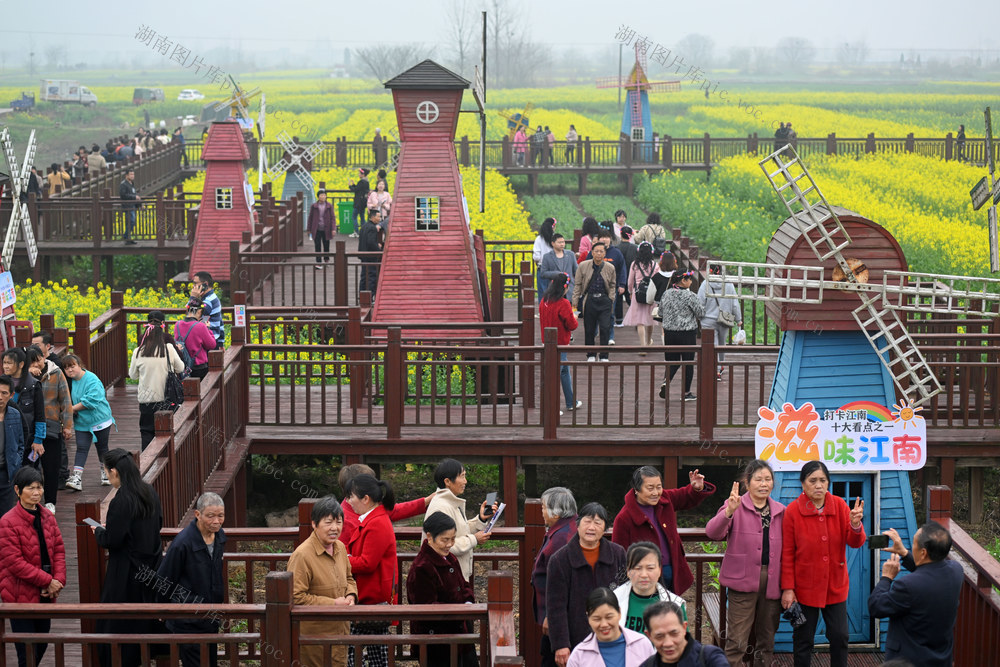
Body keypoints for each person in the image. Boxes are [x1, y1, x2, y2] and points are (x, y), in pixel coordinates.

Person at [781, 461, 866, 667]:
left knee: (839, 637)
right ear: (803, 484)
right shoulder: (792, 511)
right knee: (803, 639)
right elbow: (788, 553)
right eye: (813, 481)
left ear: (828, 483)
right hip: (805, 588)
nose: (818, 485)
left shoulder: (839, 505)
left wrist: (855, 525)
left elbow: (855, 542)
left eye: (822, 480)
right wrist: (788, 589)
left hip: (835, 586)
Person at [705, 460, 785, 667]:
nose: (763, 484)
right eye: (758, 479)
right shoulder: (736, 505)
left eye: (768, 479)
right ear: (747, 483)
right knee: (737, 640)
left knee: (766, 639)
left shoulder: (780, 511)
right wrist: (728, 511)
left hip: (773, 581)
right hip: (742, 580)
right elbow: (713, 532)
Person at [94, 448, 164, 667]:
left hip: (125, 573)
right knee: (141, 620)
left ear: (114, 471)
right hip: (150, 567)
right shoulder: (149, 492)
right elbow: (158, 524)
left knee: (117, 621)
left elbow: (112, 540)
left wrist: (98, 531)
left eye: (106, 472)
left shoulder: (121, 500)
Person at [867, 523, 963, 667]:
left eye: (913, 543)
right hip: (941, 659)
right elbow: (929, 572)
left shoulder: (907, 585)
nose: (912, 546)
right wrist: (905, 553)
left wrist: (886, 577)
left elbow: (876, 607)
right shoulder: (956, 571)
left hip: (908, 661)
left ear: (923, 552)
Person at [0, 466, 66, 667]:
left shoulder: (47, 516)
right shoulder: (7, 522)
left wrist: (58, 581)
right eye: (31, 488)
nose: (37, 492)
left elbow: (59, 550)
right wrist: (48, 581)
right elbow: (14, 562)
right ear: (18, 490)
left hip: (46, 593)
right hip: (19, 594)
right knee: (26, 650)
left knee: (43, 641)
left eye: (39, 487)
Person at [612, 465, 715, 595]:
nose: (656, 493)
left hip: (672, 570)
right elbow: (619, 557)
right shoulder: (624, 518)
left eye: (659, 487)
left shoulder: (665, 499)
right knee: (651, 612)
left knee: (672, 610)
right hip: (645, 578)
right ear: (636, 489)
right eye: (650, 488)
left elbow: (685, 496)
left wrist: (696, 488)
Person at [547, 502, 627, 666]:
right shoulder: (560, 560)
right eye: (587, 521)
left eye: (598, 523)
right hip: (576, 637)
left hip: (612, 634)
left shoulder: (618, 554)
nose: (592, 527)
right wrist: (561, 644)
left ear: (605, 528)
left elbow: (626, 595)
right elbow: (556, 606)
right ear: (577, 525)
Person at [157, 492, 227, 667]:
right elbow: (164, 578)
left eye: (221, 516)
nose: (216, 521)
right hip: (188, 618)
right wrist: (162, 608)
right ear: (198, 515)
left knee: (211, 662)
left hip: (211, 615)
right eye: (210, 516)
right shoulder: (183, 543)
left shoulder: (219, 536)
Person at [289, 496, 357, 667]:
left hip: (341, 629)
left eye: (339, 522)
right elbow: (295, 597)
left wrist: (351, 595)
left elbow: (349, 578)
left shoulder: (340, 547)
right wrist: (333, 603)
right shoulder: (302, 555)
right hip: (315, 637)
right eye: (328, 523)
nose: (335, 528)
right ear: (314, 524)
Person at [407, 512, 478, 667]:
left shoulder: (449, 558)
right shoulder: (422, 568)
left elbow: (464, 585)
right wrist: (458, 612)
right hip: (437, 642)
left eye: (453, 539)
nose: (450, 544)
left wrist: (467, 601)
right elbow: (426, 608)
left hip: (459, 633)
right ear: (430, 537)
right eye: (445, 540)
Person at [345, 474, 397, 667]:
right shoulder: (374, 519)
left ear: (365, 499)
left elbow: (367, 563)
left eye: (351, 496)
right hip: (371, 596)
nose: (349, 501)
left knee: (352, 649)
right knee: (376, 653)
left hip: (372, 598)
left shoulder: (377, 523)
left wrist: (344, 561)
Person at [423, 458, 495, 582]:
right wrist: (474, 539)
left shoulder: (448, 502)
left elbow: (458, 530)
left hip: (452, 574)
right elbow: (445, 544)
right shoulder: (441, 507)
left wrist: (481, 519)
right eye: (462, 476)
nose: (465, 481)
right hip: (446, 577)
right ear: (447, 481)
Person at [531, 487, 578, 667]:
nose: (541, 512)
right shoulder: (564, 528)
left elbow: (561, 583)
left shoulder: (563, 538)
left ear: (556, 511)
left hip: (559, 616)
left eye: (543, 507)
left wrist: (550, 615)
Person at [337, 462, 432, 546]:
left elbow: (395, 510)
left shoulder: (370, 506)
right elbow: (341, 555)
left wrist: (426, 501)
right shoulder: (343, 521)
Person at [26, 346, 72, 512]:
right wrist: (28, 374)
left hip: (51, 426)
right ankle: (30, 501)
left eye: (38, 359)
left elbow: (65, 400)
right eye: (32, 361)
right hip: (30, 429)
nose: (37, 364)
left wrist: (67, 426)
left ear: (44, 357)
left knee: (51, 466)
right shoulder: (24, 377)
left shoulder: (56, 373)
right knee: (30, 466)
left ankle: (50, 501)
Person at [129, 318, 184, 450]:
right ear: (162, 334)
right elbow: (181, 368)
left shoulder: (138, 351)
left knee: (146, 431)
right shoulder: (169, 348)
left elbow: (132, 375)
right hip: (166, 398)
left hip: (146, 400)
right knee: (166, 431)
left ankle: (148, 464)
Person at [566, 587, 656, 667]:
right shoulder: (579, 655)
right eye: (597, 619)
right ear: (588, 618)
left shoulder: (642, 644)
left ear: (619, 613)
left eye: (609, 617)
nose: (604, 624)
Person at [62, 355, 114, 492]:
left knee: (102, 447)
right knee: (81, 447)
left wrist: (70, 409)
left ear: (80, 365)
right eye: (66, 368)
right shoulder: (69, 381)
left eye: (72, 366)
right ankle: (77, 478)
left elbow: (91, 400)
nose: (70, 370)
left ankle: (106, 473)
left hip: (99, 419)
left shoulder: (92, 379)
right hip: (82, 421)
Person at [614, 542, 687, 635]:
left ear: (660, 570)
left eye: (650, 568)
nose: (644, 575)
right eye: (637, 568)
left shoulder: (675, 604)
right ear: (628, 571)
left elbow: (683, 643)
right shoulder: (613, 600)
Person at [539, 273, 582, 414]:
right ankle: (552, 407)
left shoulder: (544, 300)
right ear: (564, 288)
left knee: (563, 372)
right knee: (555, 374)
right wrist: (574, 316)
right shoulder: (563, 303)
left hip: (547, 341)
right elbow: (572, 325)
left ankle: (571, 401)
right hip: (560, 344)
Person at [658, 271, 704, 401]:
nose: (691, 281)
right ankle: (686, 393)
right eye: (689, 279)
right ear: (683, 280)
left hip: (669, 333)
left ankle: (666, 381)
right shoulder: (690, 296)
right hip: (687, 333)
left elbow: (660, 312)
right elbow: (700, 313)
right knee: (688, 363)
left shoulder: (666, 294)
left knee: (672, 361)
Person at [639, 601, 728, 667]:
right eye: (659, 636)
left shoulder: (710, 658)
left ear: (684, 627)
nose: (668, 643)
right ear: (649, 636)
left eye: (674, 633)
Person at [572, 242, 617, 362]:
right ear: (592, 253)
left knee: (605, 327)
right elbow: (578, 285)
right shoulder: (583, 266)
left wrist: (611, 298)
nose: (598, 253)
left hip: (604, 300)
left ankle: (604, 355)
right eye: (596, 251)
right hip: (590, 299)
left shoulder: (610, 267)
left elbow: (613, 285)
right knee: (589, 328)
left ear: (605, 253)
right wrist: (575, 303)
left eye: (601, 251)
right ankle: (590, 354)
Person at [697, 265, 742, 381]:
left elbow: (700, 302)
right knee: (721, 344)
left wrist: (699, 316)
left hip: (707, 320)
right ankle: (720, 366)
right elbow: (735, 303)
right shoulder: (728, 284)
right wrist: (738, 318)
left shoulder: (705, 284)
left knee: (712, 345)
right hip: (724, 319)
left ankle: (714, 368)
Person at [3, 348, 46, 467]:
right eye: (4, 362)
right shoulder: (2, 383)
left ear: (21, 364)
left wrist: (38, 440)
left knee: (27, 475)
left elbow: (40, 415)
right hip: (5, 439)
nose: (5, 366)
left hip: (28, 440)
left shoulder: (34, 385)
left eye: (9, 363)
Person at [591, 227, 627, 342]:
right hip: (595, 287)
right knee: (594, 312)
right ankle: (594, 331)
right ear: (599, 239)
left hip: (612, 288)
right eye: (603, 237)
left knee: (610, 313)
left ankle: (610, 336)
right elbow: (585, 267)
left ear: (610, 239)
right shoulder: (594, 251)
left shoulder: (616, 253)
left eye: (607, 237)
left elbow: (622, 269)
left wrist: (622, 284)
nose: (605, 240)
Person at [623, 242, 658, 355]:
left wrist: (630, 291)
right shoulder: (655, 265)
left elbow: (630, 281)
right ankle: (648, 342)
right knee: (650, 319)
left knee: (640, 322)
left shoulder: (635, 264)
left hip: (638, 293)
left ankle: (642, 346)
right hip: (651, 294)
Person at [174, 298, 217, 380]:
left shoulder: (177, 325)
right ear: (199, 312)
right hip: (198, 367)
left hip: (183, 367)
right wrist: (208, 329)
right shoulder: (201, 326)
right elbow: (211, 345)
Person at [0, 376, 25, 515]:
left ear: (11, 395)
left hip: (7, 474)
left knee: (6, 516)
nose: (0, 397)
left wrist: (16, 462)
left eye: (4, 393)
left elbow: (20, 443)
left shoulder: (15, 414)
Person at [192, 271, 225, 350]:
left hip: (209, 342)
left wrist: (193, 298)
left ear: (205, 284)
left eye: (196, 283)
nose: (193, 287)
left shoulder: (209, 301)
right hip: (213, 340)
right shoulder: (212, 297)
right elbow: (219, 321)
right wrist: (221, 342)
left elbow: (192, 314)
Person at [539, 233, 578, 297]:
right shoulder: (547, 256)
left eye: (563, 242)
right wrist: (557, 274)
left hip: (569, 289)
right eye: (559, 242)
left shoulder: (570, 254)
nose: (562, 244)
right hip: (555, 289)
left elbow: (576, 271)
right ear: (553, 243)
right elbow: (543, 273)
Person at [358, 208, 382, 298]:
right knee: (372, 276)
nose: (380, 219)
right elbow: (371, 242)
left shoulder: (364, 226)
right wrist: (379, 250)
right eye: (378, 217)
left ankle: (362, 295)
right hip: (370, 256)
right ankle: (370, 296)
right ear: (372, 217)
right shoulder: (373, 228)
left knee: (364, 276)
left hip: (363, 255)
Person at [308, 189, 335, 268]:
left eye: (324, 195)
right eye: (321, 195)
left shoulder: (329, 206)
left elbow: (333, 218)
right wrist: (309, 229)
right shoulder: (314, 206)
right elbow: (310, 218)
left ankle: (326, 260)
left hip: (327, 228)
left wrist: (333, 228)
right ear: (318, 196)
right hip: (316, 229)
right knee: (317, 245)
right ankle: (318, 262)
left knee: (326, 245)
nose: (323, 197)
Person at [533, 217, 557, 293]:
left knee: (543, 295)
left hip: (542, 269)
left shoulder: (539, 239)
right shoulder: (556, 238)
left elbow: (536, 257)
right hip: (555, 270)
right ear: (553, 227)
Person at [347, 168, 370, 238]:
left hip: (358, 203)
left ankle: (356, 232)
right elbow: (359, 189)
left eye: (360, 173)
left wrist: (350, 185)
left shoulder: (361, 182)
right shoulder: (366, 182)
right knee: (362, 217)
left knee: (354, 217)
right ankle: (364, 232)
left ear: (363, 174)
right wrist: (354, 184)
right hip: (363, 203)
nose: (358, 174)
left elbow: (355, 190)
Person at [120, 168, 140, 244]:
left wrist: (139, 204)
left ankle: (128, 237)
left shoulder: (131, 183)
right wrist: (134, 197)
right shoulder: (123, 184)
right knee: (131, 221)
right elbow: (123, 195)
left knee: (132, 222)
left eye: (133, 174)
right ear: (126, 175)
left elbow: (134, 194)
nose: (132, 176)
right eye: (131, 174)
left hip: (132, 205)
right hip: (127, 206)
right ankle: (126, 236)